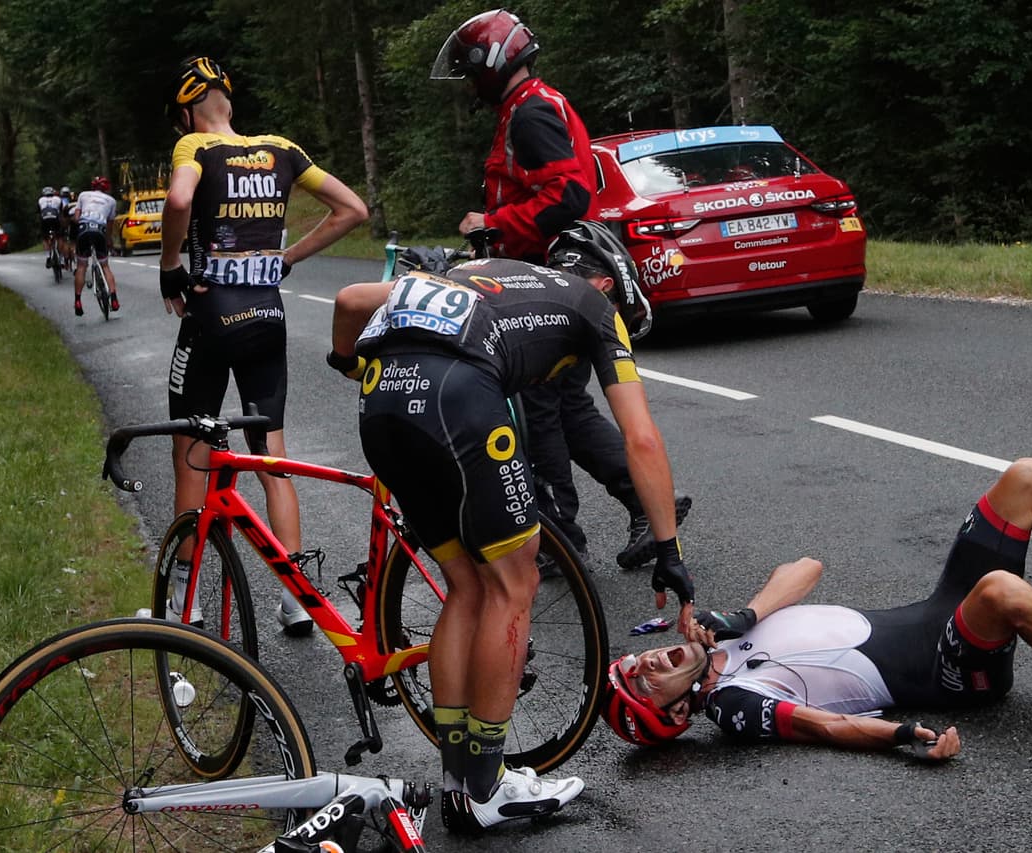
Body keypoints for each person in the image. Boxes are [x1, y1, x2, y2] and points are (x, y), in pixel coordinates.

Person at [327, 221, 696, 832]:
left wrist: (345, 362)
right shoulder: (598, 308)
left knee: (467, 587)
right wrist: (667, 545)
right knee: (513, 581)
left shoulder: (483, 272)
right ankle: (486, 787)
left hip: (381, 402)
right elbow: (640, 437)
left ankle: (460, 784)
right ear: (606, 285)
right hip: (458, 399)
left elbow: (351, 301)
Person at [601, 457, 1032, 758]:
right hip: (950, 672)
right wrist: (905, 737)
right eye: (644, 684)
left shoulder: (717, 638)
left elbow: (806, 568)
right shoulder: (731, 705)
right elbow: (824, 727)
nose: (645, 663)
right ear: (677, 715)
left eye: (635, 665)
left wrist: (745, 617)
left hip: (939, 612)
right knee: (1000, 591)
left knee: (1029, 479)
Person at [431, 9, 691, 570]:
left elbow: (567, 198)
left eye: (473, 73)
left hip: (544, 278)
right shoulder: (534, 105)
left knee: (537, 408)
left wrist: (494, 226)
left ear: (493, 65)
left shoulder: (530, 117)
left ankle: (558, 539)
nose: (472, 85)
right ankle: (647, 502)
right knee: (567, 405)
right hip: (554, 274)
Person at [159, 56, 368, 636]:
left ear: (187, 112)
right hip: (266, 315)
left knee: (191, 454)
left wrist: (170, 265)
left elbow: (179, 203)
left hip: (210, 319)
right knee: (270, 454)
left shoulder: (194, 148)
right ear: (228, 98)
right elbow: (354, 210)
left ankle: (187, 598)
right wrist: (288, 257)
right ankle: (297, 597)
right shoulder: (280, 148)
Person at [70, 176, 120, 316]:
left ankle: (78, 301)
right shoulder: (111, 201)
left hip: (84, 229)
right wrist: (108, 239)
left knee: (81, 266)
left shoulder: (83, 195)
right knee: (105, 266)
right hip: (100, 231)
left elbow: (76, 217)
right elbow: (110, 224)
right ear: (106, 188)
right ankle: (114, 298)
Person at [37, 186, 62, 264]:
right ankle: (61, 257)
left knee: (45, 238)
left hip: (45, 219)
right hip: (55, 219)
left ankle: (48, 256)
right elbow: (61, 211)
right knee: (59, 236)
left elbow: (39, 211)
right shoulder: (58, 199)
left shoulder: (41, 200)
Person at [58, 187, 76, 269]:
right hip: (75, 220)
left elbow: (62, 215)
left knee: (63, 239)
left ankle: (64, 259)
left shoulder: (59, 201)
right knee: (74, 241)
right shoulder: (73, 199)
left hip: (64, 220)